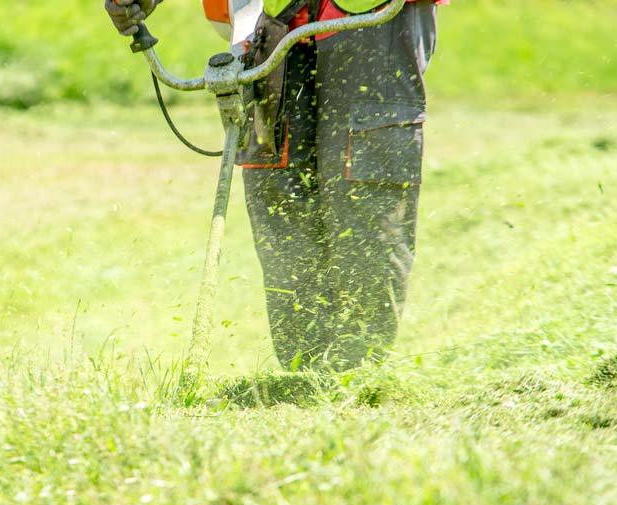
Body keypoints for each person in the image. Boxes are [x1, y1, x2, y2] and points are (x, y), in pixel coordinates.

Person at [106, 0, 442, 371]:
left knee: (364, 194)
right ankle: (303, 376)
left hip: (371, 14)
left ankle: (359, 375)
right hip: (266, 21)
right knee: (280, 199)